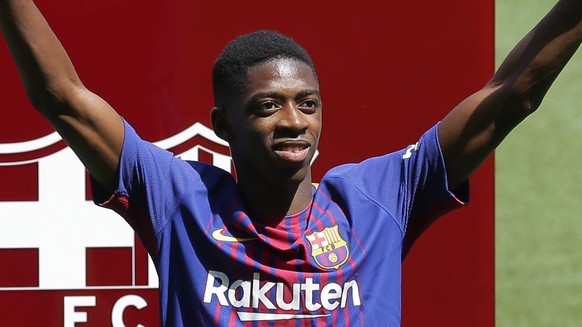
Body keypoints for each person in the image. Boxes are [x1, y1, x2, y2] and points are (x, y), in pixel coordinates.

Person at [1, 0, 580, 326]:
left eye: (308, 104)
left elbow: (511, 96)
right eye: (267, 106)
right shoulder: (181, 198)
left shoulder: (374, 197)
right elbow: (63, 97)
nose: (294, 121)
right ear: (223, 124)